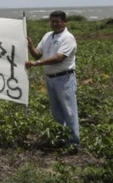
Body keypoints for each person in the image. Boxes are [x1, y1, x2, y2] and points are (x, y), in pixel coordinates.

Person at [26, 10, 79, 150]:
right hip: (50, 79)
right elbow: (38, 54)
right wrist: (30, 46)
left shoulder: (68, 37)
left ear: (64, 22)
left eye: (57, 21)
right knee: (56, 112)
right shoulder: (48, 36)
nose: (54, 24)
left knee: (69, 111)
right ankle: (61, 139)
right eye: (52, 21)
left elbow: (59, 58)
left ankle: (73, 144)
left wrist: (36, 64)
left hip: (64, 78)